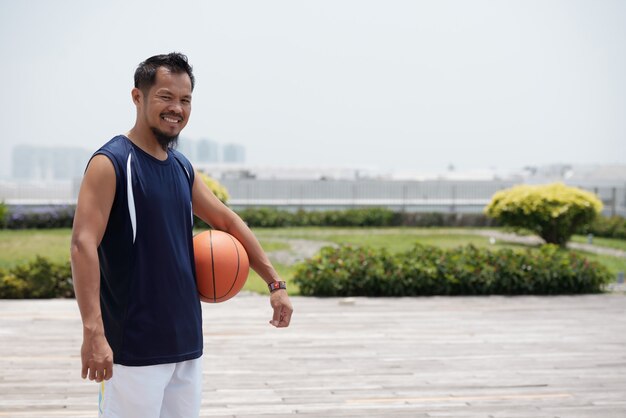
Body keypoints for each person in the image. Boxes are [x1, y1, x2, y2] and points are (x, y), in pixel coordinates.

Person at [70, 52, 293, 418]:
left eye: (185, 100)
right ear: (137, 97)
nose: (176, 108)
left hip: (186, 345)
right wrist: (94, 333)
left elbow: (228, 222)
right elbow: (82, 246)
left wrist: (275, 283)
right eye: (165, 97)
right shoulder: (111, 162)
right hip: (133, 349)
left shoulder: (181, 167)